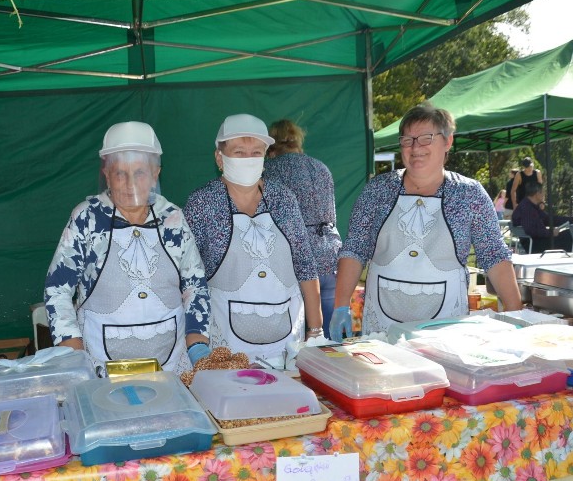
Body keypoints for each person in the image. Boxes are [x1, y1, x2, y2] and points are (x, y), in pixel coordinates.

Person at [329, 103, 522, 338]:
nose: (415, 148)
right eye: (407, 140)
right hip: (382, 329)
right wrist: (340, 305)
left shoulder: (469, 194)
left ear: (448, 141)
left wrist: (516, 313)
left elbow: (494, 255)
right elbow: (355, 250)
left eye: (425, 138)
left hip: (446, 331)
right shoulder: (377, 191)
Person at [44, 121, 211, 377]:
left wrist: (198, 344)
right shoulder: (87, 218)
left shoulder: (173, 219)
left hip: (172, 368)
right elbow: (58, 290)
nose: (129, 183)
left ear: (156, 173)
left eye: (140, 172)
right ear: (106, 173)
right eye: (120, 173)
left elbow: (195, 286)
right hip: (102, 370)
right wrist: (73, 354)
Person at [184, 114, 323, 366]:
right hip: (227, 351)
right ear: (219, 158)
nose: (248, 160)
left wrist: (316, 331)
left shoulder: (284, 198)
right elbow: (189, 280)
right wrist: (197, 344)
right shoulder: (201, 204)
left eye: (256, 152)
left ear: (265, 156)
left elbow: (305, 265)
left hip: (288, 345)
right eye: (239, 152)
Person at [264, 119, 343, 334]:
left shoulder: (269, 170)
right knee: (328, 334)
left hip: (296, 259)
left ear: (271, 145)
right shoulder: (321, 167)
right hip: (330, 252)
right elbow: (331, 215)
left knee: (296, 336)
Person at [511, 179, 572, 253]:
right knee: (570, 236)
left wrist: (572, 220)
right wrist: (551, 233)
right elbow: (531, 230)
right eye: (543, 192)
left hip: (539, 240)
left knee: (569, 233)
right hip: (535, 244)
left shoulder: (532, 206)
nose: (544, 195)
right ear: (537, 193)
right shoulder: (527, 208)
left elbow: (548, 219)